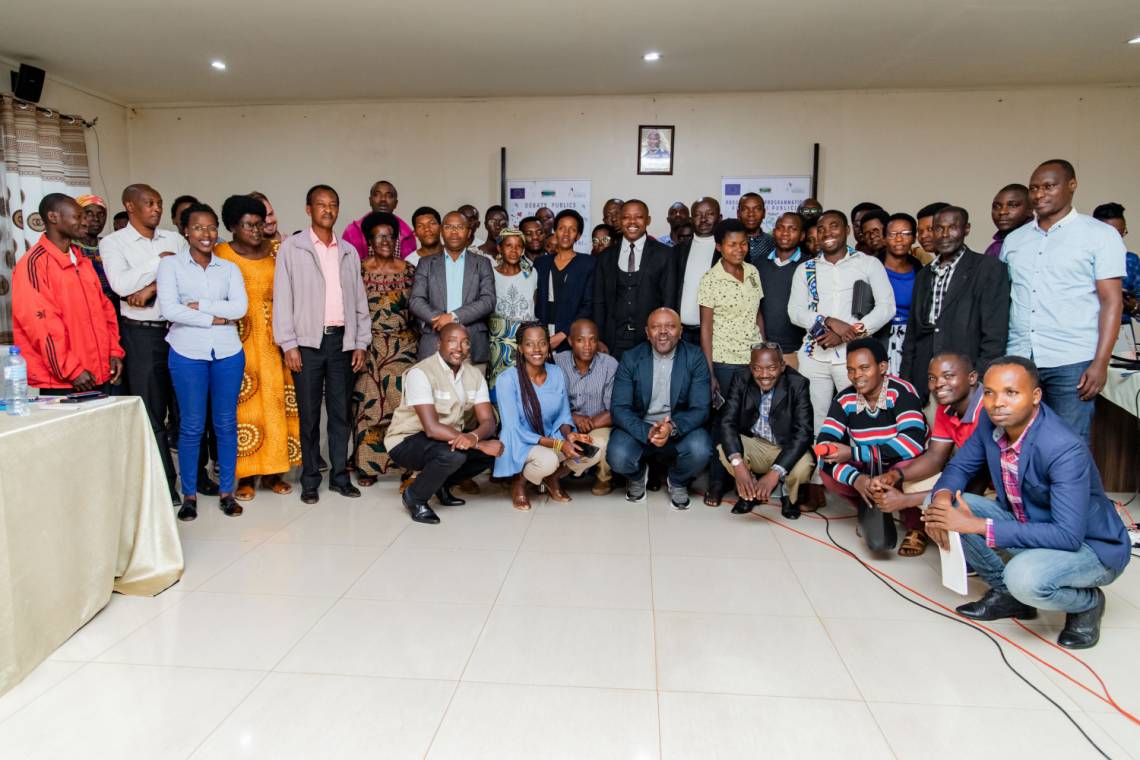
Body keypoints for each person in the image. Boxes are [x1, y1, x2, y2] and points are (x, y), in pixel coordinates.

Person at [923, 356, 1131, 649]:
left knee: (1024, 578)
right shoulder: (991, 419)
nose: (998, 402)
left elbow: (1067, 535)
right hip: (1031, 524)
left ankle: (1086, 603)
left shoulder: (1063, 448)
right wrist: (941, 501)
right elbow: (960, 468)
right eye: (991, 392)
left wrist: (977, 525)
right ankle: (1010, 596)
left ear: (1035, 396)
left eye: (1011, 393)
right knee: (940, 504)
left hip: (1090, 546)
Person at [1001, 159, 1125, 444]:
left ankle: (1070, 492)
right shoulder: (1015, 241)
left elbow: (1112, 303)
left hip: (1072, 361)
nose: (1039, 194)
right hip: (1020, 357)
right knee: (1018, 443)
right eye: (1034, 188)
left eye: (1048, 186)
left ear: (1072, 186)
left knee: (1067, 445)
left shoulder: (1099, 235)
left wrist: (1100, 363)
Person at [273, 184, 369, 504]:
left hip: (341, 342)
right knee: (310, 415)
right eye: (321, 204)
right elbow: (283, 300)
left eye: (333, 204)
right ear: (308, 209)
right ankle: (311, 479)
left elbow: (358, 301)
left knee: (341, 414)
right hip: (307, 344)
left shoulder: (348, 251)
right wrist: (288, 344)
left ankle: (340, 477)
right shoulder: (293, 248)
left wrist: (360, 342)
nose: (327, 210)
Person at [157, 203, 248, 521]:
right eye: (198, 227)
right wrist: (216, 317)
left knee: (225, 425)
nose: (206, 234)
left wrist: (198, 307)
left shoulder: (229, 269)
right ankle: (190, 496)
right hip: (186, 353)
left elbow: (239, 309)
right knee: (192, 426)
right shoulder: (171, 267)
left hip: (227, 353)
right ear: (186, 231)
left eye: (211, 227)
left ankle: (227, 493)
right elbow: (169, 309)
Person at [101, 184, 186, 505]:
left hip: (177, 330)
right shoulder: (114, 243)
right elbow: (121, 285)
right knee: (152, 411)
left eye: (159, 203)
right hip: (141, 334)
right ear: (130, 206)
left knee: (185, 408)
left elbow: (187, 283)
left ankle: (197, 477)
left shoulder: (174, 240)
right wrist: (159, 265)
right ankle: (166, 484)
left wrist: (149, 289)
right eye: (149, 203)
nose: (156, 209)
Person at [215, 194, 300, 501]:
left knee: (277, 406)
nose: (255, 230)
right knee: (245, 410)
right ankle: (247, 476)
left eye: (259, 223)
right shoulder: (221, 254)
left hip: (276, 340)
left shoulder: (278, 251)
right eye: (248, 225)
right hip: (238, 339)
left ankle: (275, 473)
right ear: (233, 227)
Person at [788, 210, 895, 439]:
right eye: (821, 228)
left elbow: (886, 307)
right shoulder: (806, 269)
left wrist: (849, 333)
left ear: (846, 230)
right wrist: (827, 321)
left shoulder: (868, 264)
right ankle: (820, 472)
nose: (827, 232)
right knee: (817, 420)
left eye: (834, 226)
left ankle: (858, 472)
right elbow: (795, 312)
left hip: (855, 357)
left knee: (860, 416)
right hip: (814, 356)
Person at [815, 338, 928, 554]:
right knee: (827, 468)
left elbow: (913, 443)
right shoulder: (844, 399)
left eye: (864, 368)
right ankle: (866, 506)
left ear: (882, 367)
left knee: (909, 465)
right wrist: (856, 479)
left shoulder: (902, 392)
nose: (857, 375)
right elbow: (824, 445)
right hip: (869, 465)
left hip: (898, 463)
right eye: (851, 370)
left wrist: (855, 452)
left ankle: (916, 526)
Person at [384, 323, 503, 524]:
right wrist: (479, 443)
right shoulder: (421, 373)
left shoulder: (474, 375)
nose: (459, 347)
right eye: (452, 341)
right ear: (439, 344)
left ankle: (440, 485)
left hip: (446, 439)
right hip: (407, 440)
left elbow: (488, 421)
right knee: (454, 455)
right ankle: (415, 497)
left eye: (465, 343)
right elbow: (431, 428)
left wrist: (474, 437)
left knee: (491, 452)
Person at [13, 193, 123, 396]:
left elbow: (105, 310)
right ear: (54, 217)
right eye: (78, 217)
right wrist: (71, 370)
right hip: (66, 380)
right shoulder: (33, 265)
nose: (85, 223)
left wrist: (113, 352)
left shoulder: (82, 260)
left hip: (99, 373)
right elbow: (42, 326)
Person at [900, 206, 1009, 402]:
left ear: (966, 229)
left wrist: (980, 383)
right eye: (938, 228)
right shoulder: (924, 274)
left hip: (967, 385)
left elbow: (995, 337)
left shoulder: (988, 269)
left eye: (952, 227)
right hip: (925, 384)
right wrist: (907, 383)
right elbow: (912, 335)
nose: (944, 234)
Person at [607, 308, 711, 509]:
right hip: (641, 427)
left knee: (701, 449)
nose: (663, 332)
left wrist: (671, 427)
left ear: (681, 331)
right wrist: (648, 431)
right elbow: (619, 408)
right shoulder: (631, 358)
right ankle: (637, 476)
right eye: (656, 327)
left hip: (678, 427)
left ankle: (677, 480)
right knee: (618, 455)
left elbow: (701, 409)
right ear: (647, 332)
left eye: (670, 326)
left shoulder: (695, 357)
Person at [495, 323, 604, 509]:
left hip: (552, 437)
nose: (537, 349)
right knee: (548, 460)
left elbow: (563, 415)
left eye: (542, 343)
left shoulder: (556, 373)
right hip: (521, 442)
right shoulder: (507, 380)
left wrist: (569, 434)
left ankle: (552, 478)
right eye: (530, 344)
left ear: (548, 346)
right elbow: (514, 429)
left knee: (593, 450)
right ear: (520, 348)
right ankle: (519, 482)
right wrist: (559, 444)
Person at [348, 211, 419, 486]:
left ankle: (405, 463)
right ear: (369, 241)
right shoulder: (359, 270)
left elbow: (416, 309)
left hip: (403, 346)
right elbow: (351, 310)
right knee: (367, 405)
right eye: (379, 237)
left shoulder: (409, 270)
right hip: (368, 347)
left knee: (403, 406)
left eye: (390, 236)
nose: (386, 241)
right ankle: (367, 466)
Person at [696, 219, 764, 504]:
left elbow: (758, 314)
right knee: (722, 424)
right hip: (724, 362)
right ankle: (716, 482)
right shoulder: (710, 279)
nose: (739, 249)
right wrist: (710, 372)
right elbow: (706, 329)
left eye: (744, 244)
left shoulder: (752, 272)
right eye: (732, 244)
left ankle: (744, 482)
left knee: (746, 423)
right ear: (719, 247)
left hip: (751, 360)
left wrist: (764, 350)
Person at [869, 352, 986, 516]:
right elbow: (935, 457)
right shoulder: (946, 408)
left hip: (998, 488)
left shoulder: (989, 409)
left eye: (948, 376)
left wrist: (906, 500)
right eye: (932, 378)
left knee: (951, 506)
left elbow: (977, 482)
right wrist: (895, 475)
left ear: (972, 378)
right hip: (971, 478)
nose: (938, 384)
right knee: (911, 484)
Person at [718, 343, 814, 519]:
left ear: (782, 366)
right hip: (756, 443)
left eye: (771, 368)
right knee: (725, 450)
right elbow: (727, 422)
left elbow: (804, 433)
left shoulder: (798, 383)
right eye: (757, 369)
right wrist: (739, 466)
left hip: (786, 446)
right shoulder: (741, 378)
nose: (764, 375)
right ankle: (750, 492)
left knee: (804, 466)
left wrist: (775, 472)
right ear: (750, 367)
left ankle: (788, 495)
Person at [410, 210, 496, 369]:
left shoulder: (482, 263)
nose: (454, 232)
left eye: (460, 227)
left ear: (469, 232)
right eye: (449, 227)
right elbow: (416, 300)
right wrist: (438, 318)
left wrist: (452, 317)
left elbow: (488, 301)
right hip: (434, 343)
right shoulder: (426, 263)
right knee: (433, 393)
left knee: (472, 393)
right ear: (442, 231)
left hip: (472, 345)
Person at [593, 199, 677, 359]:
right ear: (619, 220)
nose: (632, 222)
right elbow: (599, 302)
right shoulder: (605, 257)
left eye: (638, 217)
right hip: (613, 341)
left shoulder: (665, 254)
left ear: (648, 220)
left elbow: (669, 300)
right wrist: (599, 338)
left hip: (651, 340)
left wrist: (663, 336)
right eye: (626, 217)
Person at [555, 319, 619, 495]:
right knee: (553, 441)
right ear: (570, 341)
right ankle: (555, 472)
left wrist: (589, 423)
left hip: (598, 422)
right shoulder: (557, 363)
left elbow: (615, 408)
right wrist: (574, 418)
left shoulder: (609, 365)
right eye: (580, 340)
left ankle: (603, 477)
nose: (587, 346)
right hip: (565, 422)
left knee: (603, 444)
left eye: (592, 340)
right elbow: (551, 404)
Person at [535, 209, 595, 355]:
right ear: (555, 231)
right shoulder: (541, 263)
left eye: (572, 229)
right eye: (561, 228)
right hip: (542, 334)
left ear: (578, 235)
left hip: (571, 336)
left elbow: (588, 306)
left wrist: (562, 334)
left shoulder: (588, 263)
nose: (566, 233)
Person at [755, 212, 807, 369]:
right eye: (780, 228)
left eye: (792, 229)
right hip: (765, 349)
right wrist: (763, 343)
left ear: (802, 235)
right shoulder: (759, 264)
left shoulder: (810, 265)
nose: (785, 233)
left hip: (798, 351)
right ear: (773, 231)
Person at [488, 228, 537, 390]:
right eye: (509, 245)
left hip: (525, 341)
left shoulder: (531, 274)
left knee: (525, 387)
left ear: (523, 249)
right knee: (500, 387)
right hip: (498, 344)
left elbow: (534, 306)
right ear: (499, 248)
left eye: (518, 246)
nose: (514, 250)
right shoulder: (490, 274)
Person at [877, 213, 923, 375]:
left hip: (911, 339)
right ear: (884, 238)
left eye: (905, 234)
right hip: (879, 338)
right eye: (893, 234)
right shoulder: (871, 268)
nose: (899, 239)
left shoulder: (920, 270)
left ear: (914, 238)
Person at [673, 197, 723, 345]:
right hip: (682, 333)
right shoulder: (677, 251)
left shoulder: (728, 251)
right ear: (691, 218)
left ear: (719, 217)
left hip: (717, 332)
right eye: (697, 214)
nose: (703, 219)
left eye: (709, 214)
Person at [1091, 203, 1139, 325]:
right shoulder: (1078, 259)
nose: (1117, 240)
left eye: (1121, 233)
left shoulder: (1130, 261)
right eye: (1111, 235)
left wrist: (1134, 306)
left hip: (1121, 332)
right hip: (1082, 332)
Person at [342, 180, 416, 260]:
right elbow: (347, 266)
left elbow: (411, 267)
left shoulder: (407, 235)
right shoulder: (352, 232)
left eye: (389, 196)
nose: (383, 199)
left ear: (396, 203)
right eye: (377, 195)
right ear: (370, 200)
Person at [74, 194, 114, 303]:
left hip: (114, 308)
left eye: (101, 214)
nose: (96, 219)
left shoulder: (111, 244)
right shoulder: (69, 248)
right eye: (88, 213)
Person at [985, 184, 1032, 258]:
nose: (1002, 212)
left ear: (1030, 209)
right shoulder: (993, 248)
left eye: (1013, 205)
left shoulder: (1038, 241)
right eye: (996, 206)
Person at [738, 192, 777, 266]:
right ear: (738, 213)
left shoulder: (773, 242)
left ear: (764, 213)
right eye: (745, 209)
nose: (751, 214)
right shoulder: (731, 243)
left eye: (757, 209)